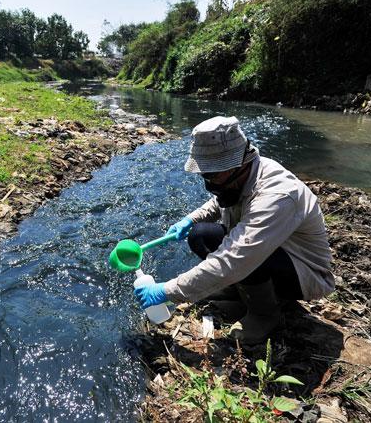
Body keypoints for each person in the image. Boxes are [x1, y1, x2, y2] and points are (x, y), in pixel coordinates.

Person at [134, 116, 335, 344]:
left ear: (237, 164)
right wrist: (190, 220)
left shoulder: (277, 195)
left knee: (243, 260)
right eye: (204, 174)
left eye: (211, 174)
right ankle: (242, 292)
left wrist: (166, 291)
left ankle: (265, 314)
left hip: (303, 272)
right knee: (200, 234)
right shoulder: (242, 175)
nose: (208, 182)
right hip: (269, 252)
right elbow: (219, 201)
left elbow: (234, 259)